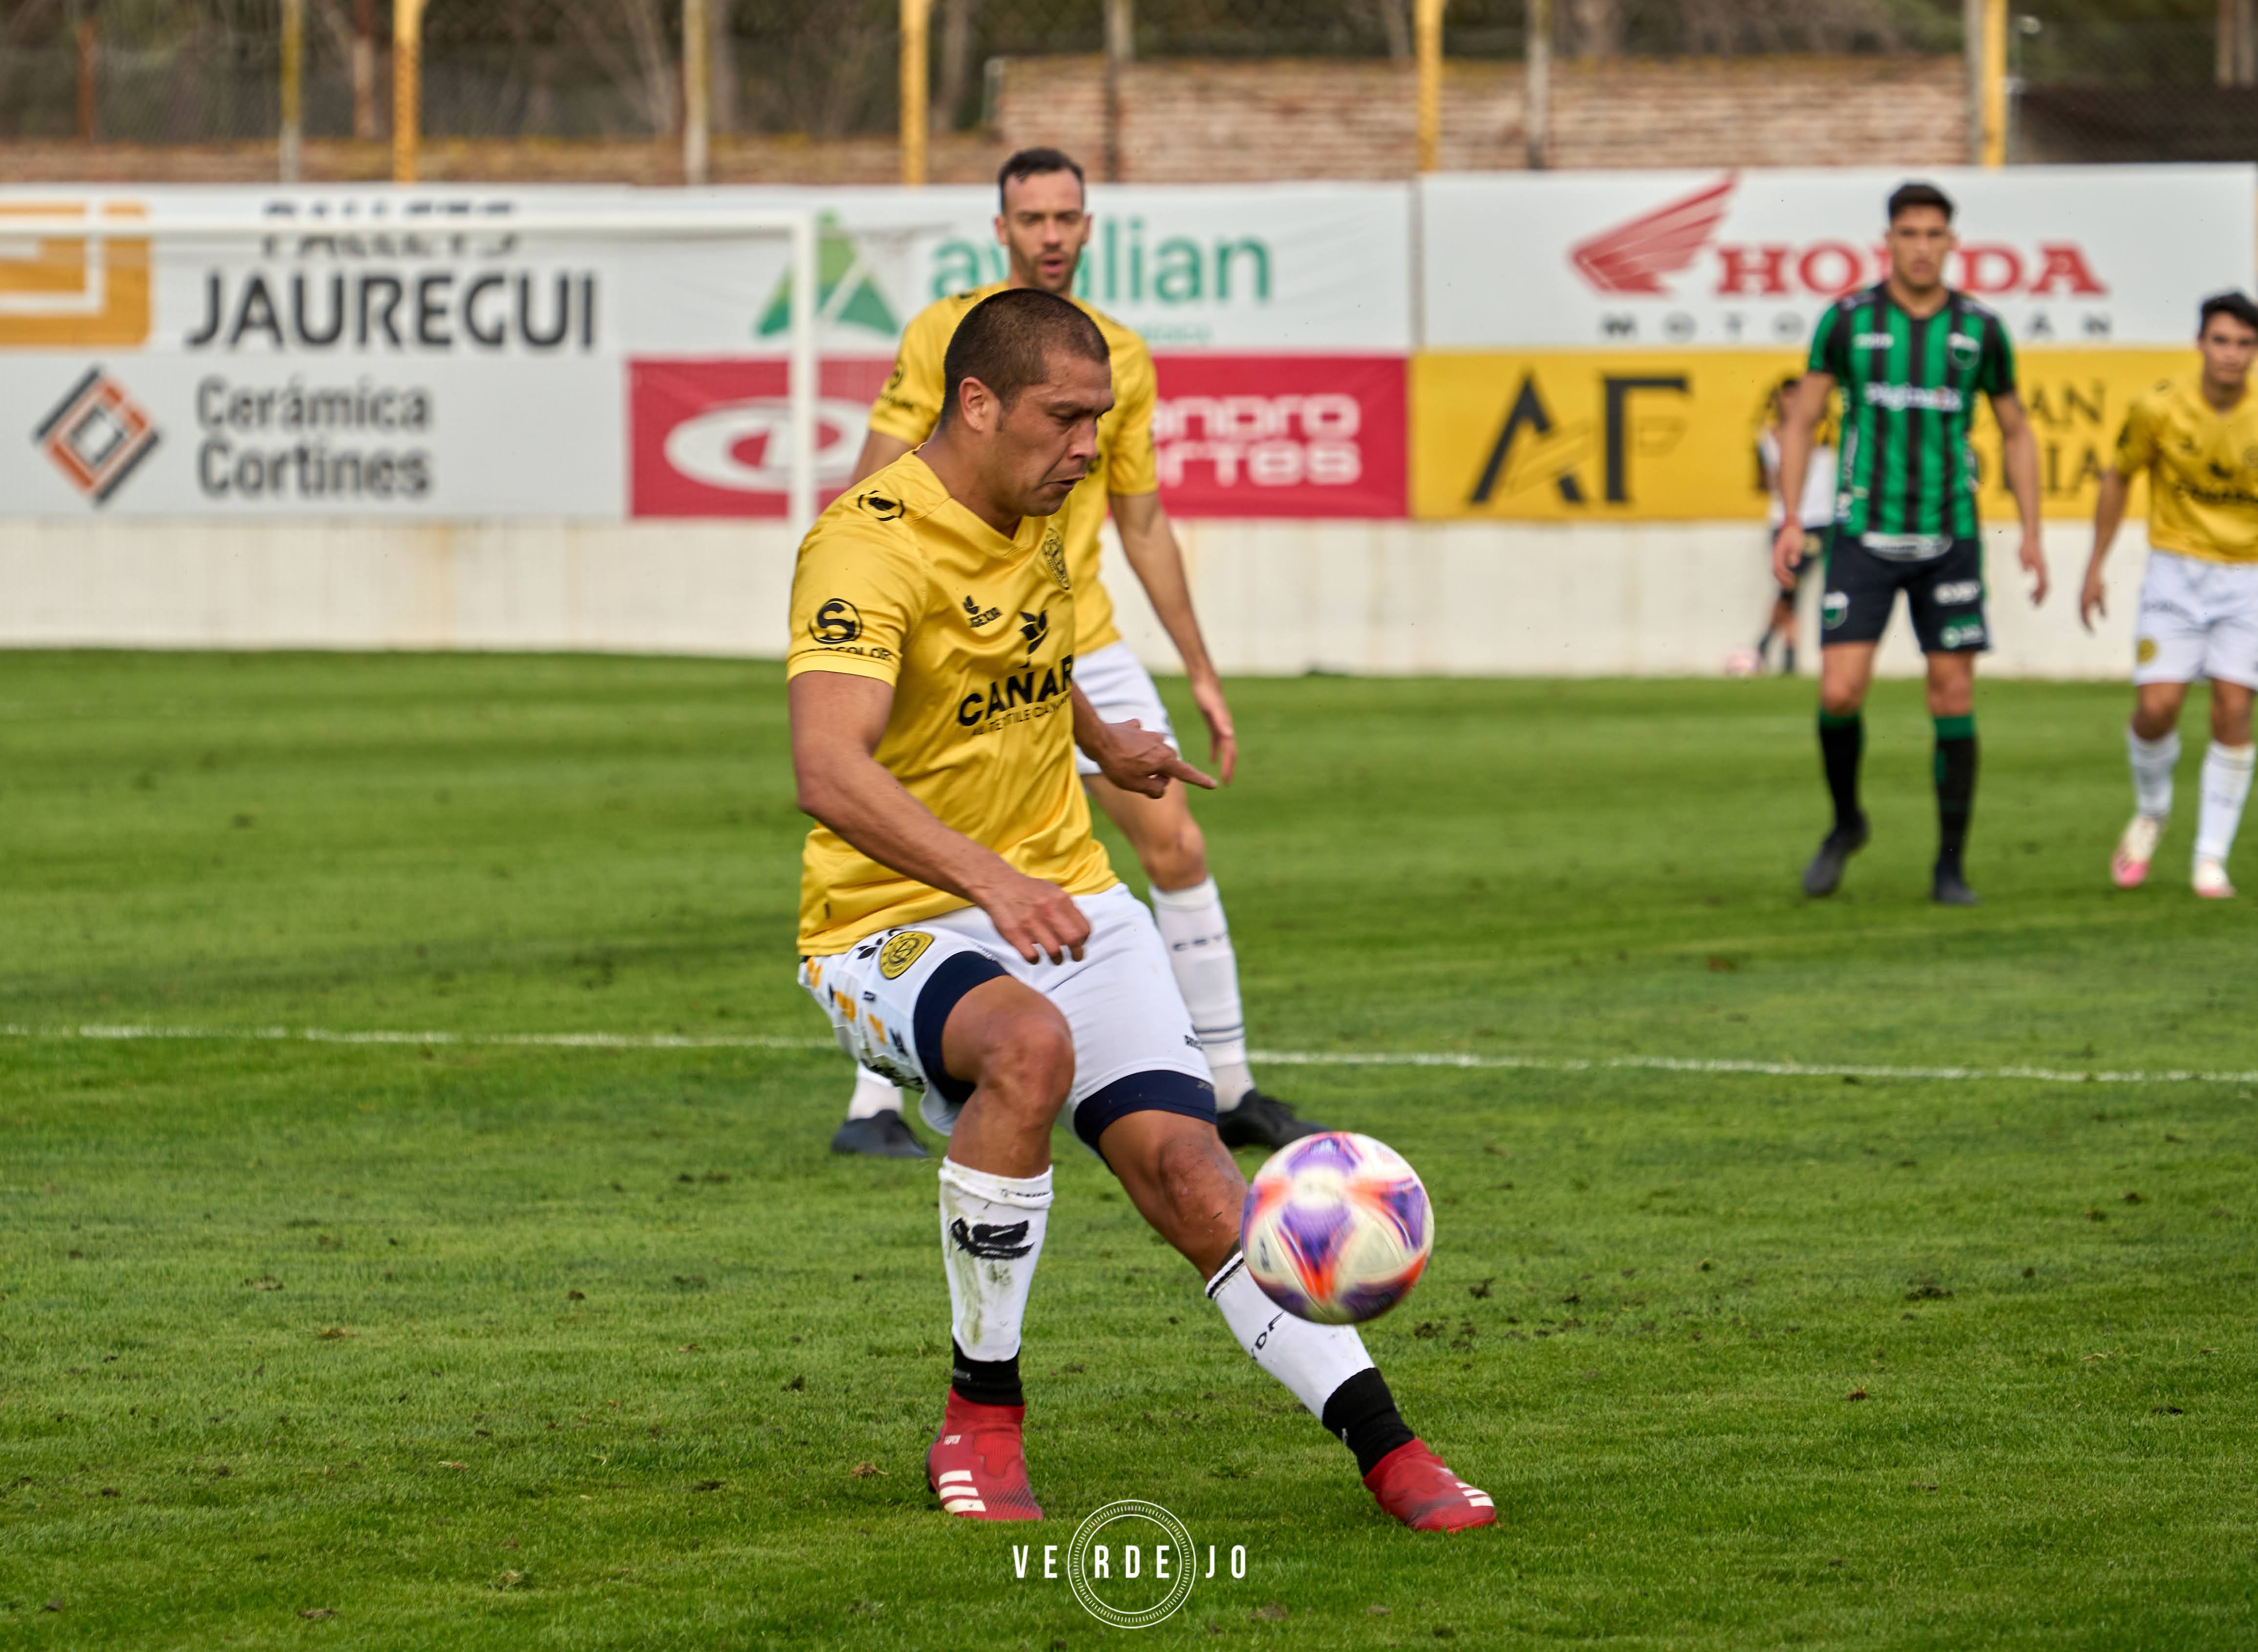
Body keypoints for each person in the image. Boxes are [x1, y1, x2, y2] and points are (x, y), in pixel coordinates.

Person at [787, 287, 1492, 1531]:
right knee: (1026, 1048)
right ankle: (982, 1415)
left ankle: (1391, 1450)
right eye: (1066, 420)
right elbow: (828, 768)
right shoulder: (866, 543)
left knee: (1193, 1171)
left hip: (1068, 902)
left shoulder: (1045, 513)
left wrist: (1111, 743)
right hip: (886, 927)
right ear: (976, 403)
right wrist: (994, 882)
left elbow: (1031, 668)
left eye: (1098, 420)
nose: (1088, 448)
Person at [828, 145, 1325, 1161]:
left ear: (1088, 229)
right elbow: (872, 483)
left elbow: (1143, 522)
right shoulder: (942, 335)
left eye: (1067, 217)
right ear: (1000, 229)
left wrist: (1197, 665)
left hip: (1076, 638)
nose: (1050, 234)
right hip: (960, 636)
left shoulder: (1121, 354)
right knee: (943, 843)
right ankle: (876, 1104)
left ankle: (1227, 1082)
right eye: (1032, 218)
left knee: (1176, 841)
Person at [1771, 180, 2048, 906]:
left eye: (1934, 234)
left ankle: (1949, 865)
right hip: (1862, 534)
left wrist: (2030, 532)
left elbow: (2016, 429)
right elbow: (1801, 419)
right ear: (1887, 241)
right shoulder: (1846, 321)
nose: (1921, 247)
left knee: (1950, 693)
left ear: (1951, 243)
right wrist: (1793, 517)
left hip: (1947, 535)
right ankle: (1845, 823)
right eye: (1908, 233)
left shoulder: (1979, 331)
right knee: (1838, 690)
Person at [2079, 290, 2258, 899]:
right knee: (2156, 708)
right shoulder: (2157, 407)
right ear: (2199, 344)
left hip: (2247, 576)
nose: (2231, 355)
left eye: (2244, 344)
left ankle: (2210, 858)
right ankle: (2151, 810)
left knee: (2234, 709)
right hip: (2174, 572)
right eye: (2221, 341)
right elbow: (2117, 474)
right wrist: (2094, 565)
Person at [1750, 375, 1837, 677]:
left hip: (1818, 520)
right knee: (1790, 586)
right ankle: (1782, 651)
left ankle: (1768, 647)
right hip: (1784, 521)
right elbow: (1766, 482)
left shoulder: (1827, 435)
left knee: (1791, 586)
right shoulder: (1768, 438)